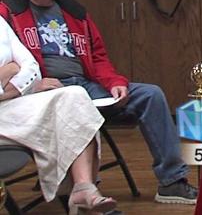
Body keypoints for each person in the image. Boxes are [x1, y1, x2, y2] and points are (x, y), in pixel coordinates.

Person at [0, 0, 199, 205]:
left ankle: (172, 181)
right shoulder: (8, 13)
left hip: (87, 85)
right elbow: (9, 61)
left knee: (151, 94)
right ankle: (77, 185)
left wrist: (115, 82)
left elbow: (98, 58)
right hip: (47, 93)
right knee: (74, 102)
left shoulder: (74, 12)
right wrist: (30, 85)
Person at [0, 18, 117, 214]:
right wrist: (11, 68)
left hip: (12, 102)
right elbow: (19, 69)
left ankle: (83, 186)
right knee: (62, 119)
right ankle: (80, 199)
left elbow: (31, 68)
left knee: (74, 96)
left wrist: (8, 82)